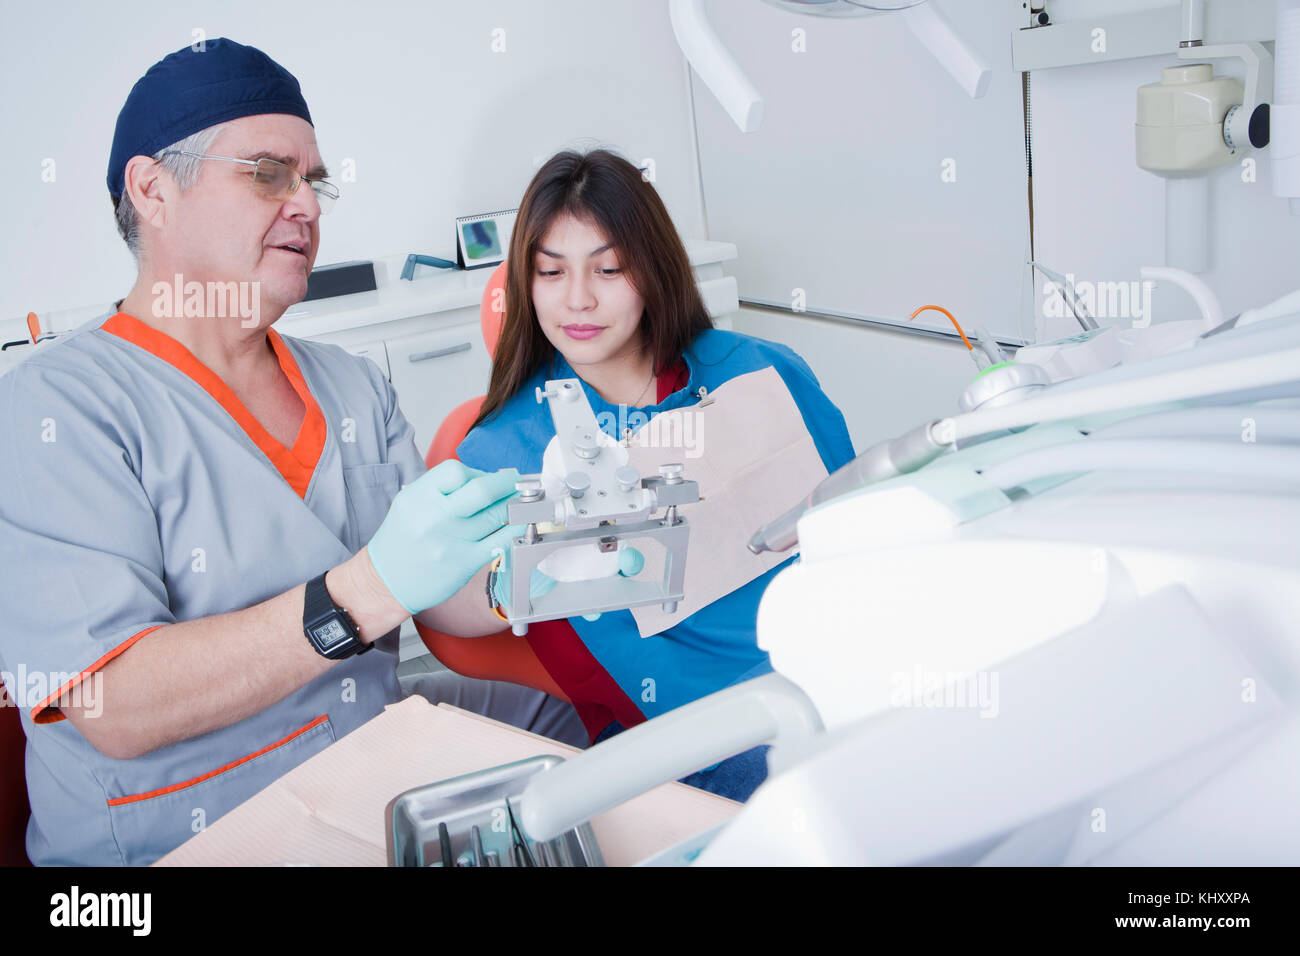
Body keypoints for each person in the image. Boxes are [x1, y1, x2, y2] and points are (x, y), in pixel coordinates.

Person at [0, 39, 583, 866]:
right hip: (185, 826)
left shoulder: (348, 386)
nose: (306, 205)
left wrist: (552, 561)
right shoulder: (55, 407)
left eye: (315, 181)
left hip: (365, 756)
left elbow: (435, 596)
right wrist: (363, 591)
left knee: (572, 739)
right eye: (270, 173)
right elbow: (114, 703)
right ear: (152, 189)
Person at [448, 150, 856, 802]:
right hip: (699, 735)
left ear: (654, 269)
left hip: (843, 659)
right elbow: (437, 605)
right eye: (551, 272)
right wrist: (523, 575)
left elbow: (853, 513)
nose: (578, 298)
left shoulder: (761, 369)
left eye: (608, 268)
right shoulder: (508, 444)